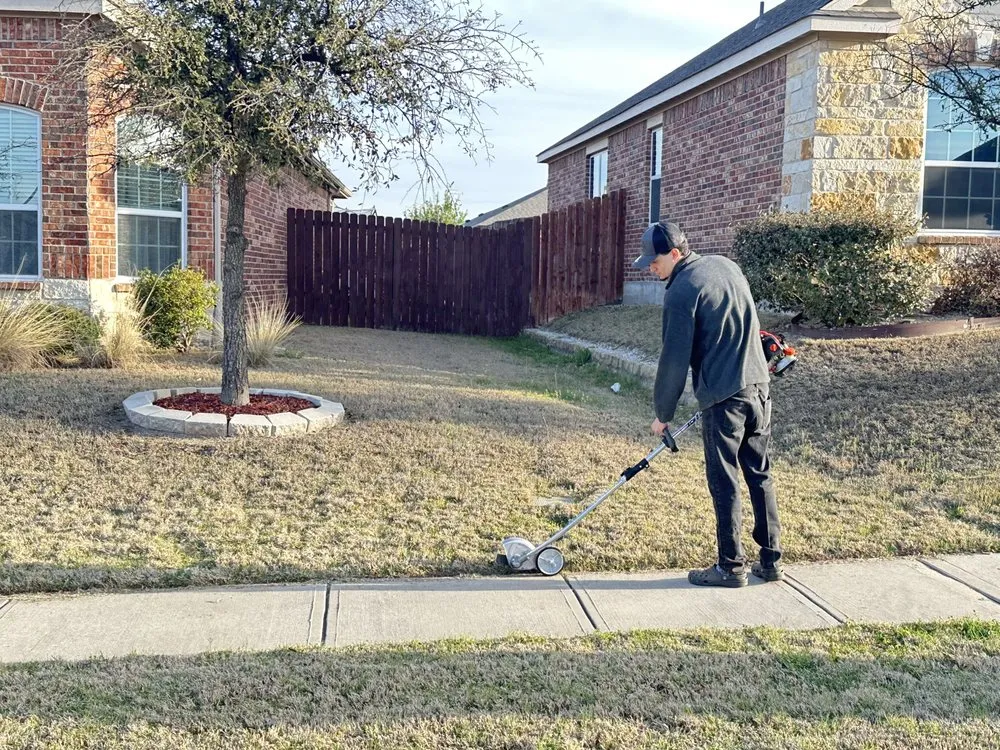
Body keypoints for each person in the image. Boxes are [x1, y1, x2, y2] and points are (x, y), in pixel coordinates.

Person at [632, 221, 782, 588]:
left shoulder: (682, 290)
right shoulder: (726, 266)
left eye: (655, 262)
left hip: (724, 396)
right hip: (758, 387)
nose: (651, 268)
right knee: (759, 474)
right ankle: (771, 561)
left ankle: (730, 567)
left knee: (724, 478)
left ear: (675, 253)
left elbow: (673, 359)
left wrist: (662, 415)